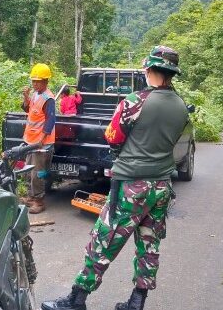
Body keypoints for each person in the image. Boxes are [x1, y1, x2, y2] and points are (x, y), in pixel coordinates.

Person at [41, 45, 189, 310]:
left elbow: (112, 136)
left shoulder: (135, 101)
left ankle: (77, 299)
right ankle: (136, 302)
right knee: (149, 244)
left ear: (149, 69)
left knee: (104, 239)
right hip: (162, 185)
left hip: (132, 183)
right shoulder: (181, 106)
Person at [20, 63, 56, 214]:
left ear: (46, 81)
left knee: (37, 174)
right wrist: (26, 97)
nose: (35, 84)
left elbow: (50, 120)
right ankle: (30, 196)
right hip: (31, 141)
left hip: (42, 144)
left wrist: (42, 138)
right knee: (28, 171)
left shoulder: (49, 98)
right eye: (33, 81)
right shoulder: (36, 94)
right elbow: (29, 110)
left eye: (38, 81)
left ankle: (39, 201)